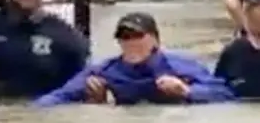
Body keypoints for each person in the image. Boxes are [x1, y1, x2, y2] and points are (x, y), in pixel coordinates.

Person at [34, 12, 235, 107]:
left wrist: (187, 91)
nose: (131, 43)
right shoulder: (105, 71)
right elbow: (54, 99)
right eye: (124, 37)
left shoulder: (180, 67)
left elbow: (225, 94)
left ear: (155, 39)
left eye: (138, 36)